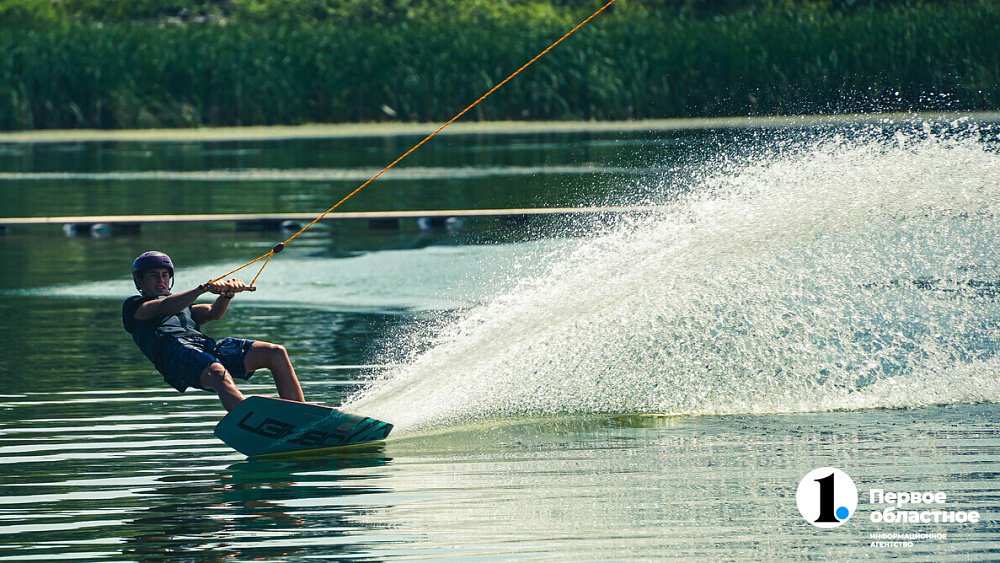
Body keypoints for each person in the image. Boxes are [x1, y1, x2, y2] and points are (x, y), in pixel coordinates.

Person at [122, 251, 304, 412]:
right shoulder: (134, 306)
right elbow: (165, 306)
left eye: (165, 275)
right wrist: (203, 288)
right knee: (217, 372)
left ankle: (301, 413)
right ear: (139, 280)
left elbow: (213, 313)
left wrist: (227, 294)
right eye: (153, 275)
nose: (161, 280)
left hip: (203, 346)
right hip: (173, 355)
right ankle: (250, 418)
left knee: (274, 352)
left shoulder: (186, 307)